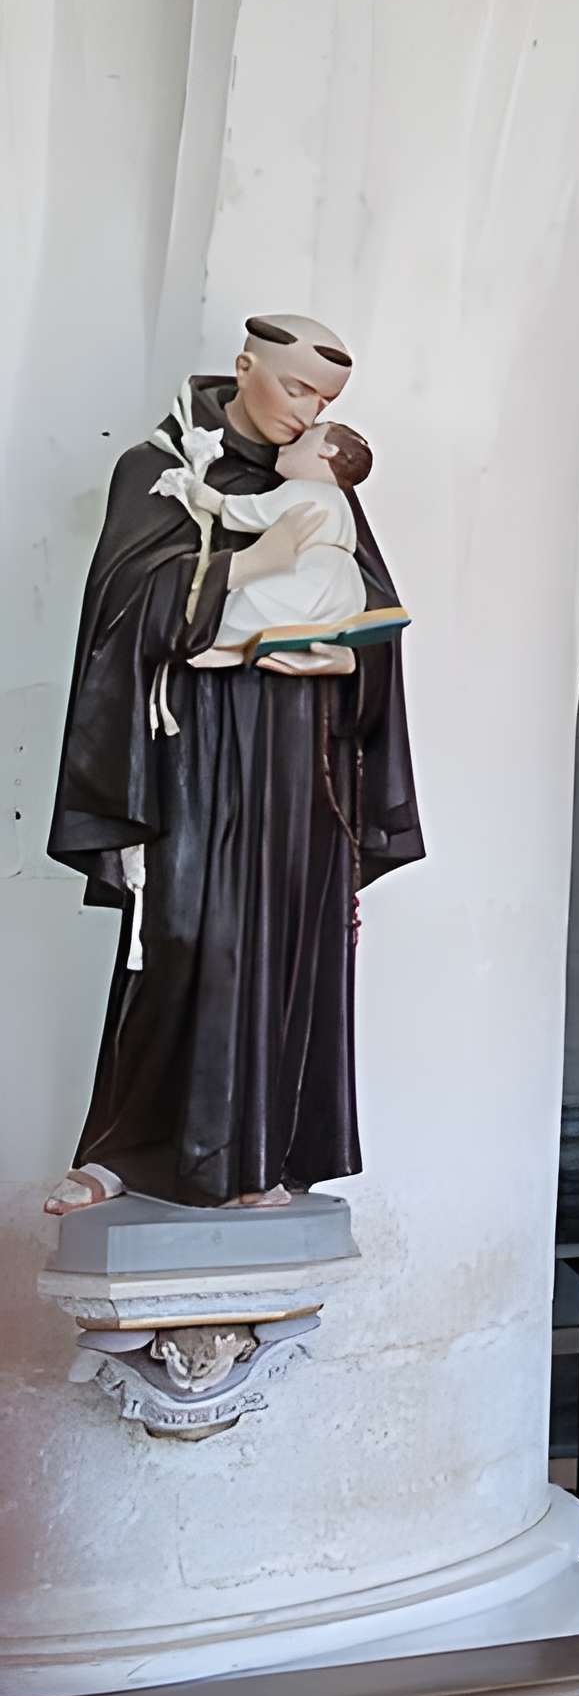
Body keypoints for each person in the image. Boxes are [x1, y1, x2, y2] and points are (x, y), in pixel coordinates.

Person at [43, 315, 423, 1214]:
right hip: (199, 761)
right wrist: (248, 566)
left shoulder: (325, 485)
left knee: (287, 950)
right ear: (246, 370)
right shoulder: (162, 469)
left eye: (326, 402)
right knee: (183, 940)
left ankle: (263, 1160)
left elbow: (374, 621)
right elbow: (121, 615)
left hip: (300, 762)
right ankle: (124, 1150)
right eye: (297, 390)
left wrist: (345, 655)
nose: (309, 414)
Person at [151, 420, 382, 667]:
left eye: (301, 439)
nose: (285, 445)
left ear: (327, 450)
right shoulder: (340, 501)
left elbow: (255, 513)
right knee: (311, 628)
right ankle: (328, 654)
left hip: (309, 580)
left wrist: (213, 500)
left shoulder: (303, 488)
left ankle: (223, 645)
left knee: (245, 608)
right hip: (345, 591)